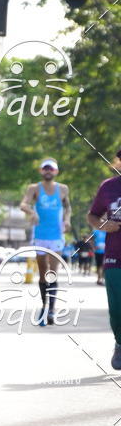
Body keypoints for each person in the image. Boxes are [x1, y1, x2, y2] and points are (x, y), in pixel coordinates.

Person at [20, 158, 71, 325]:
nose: (48, 171)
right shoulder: (34, 188)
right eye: (45, 169)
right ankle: (44, 305)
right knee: (43, 272)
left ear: (56, 171)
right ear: (41, 171)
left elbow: (68, 207)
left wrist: (68, 220)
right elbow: (23, 204)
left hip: (56, 236)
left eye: (51, 169)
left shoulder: (63, 189)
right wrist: (31, 212)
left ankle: (51, 310)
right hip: (40, 235)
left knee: (53, 272)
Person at [87, 147, 121, 370]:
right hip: (115, 255)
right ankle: (120, 343)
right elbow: (92, 215)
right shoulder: (108, 187)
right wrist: (103, 225)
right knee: (117, 306)